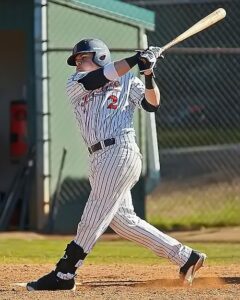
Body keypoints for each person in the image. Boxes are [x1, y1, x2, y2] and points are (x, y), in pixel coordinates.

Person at [26, 38, 206, 291]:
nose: (78, 63)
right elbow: (96, 80)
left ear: (100, 57)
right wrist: (136, 59)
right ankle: (186, 257)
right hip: (99, 157)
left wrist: (147, 72)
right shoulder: (76, 82)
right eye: (76, 60)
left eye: (83, 58)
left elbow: (152, 104)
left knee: (92, 217)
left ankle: (65, 274)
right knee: (123, 222)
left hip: (119, 151)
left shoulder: (127, 80)